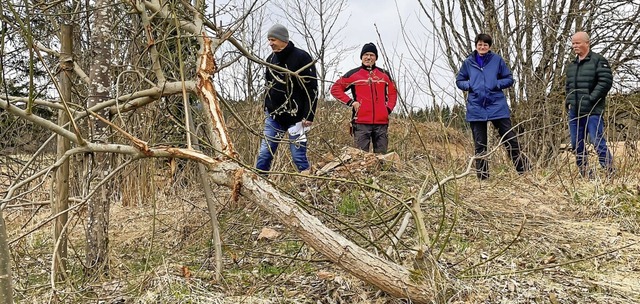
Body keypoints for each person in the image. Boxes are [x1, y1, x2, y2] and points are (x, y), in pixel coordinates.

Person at [455, 33, 530, 180]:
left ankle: (524, 172)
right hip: (476, 106)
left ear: (489, 47)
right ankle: (483, 179)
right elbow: (459, 80)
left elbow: (509, 79)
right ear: (476, 45)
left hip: (497, 105)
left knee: (510, 139)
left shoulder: (497, 60)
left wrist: (496, 84)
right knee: (480, 145)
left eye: (485, 45)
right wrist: (469, 85)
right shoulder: (468, 62)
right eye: (480, 44)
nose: (482, 47)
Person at [255, 24, 318, 174]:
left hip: (297, 117)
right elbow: (268, 85)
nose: (270, 43)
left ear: (284, 39)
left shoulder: (302, 57)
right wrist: (266, 106)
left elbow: (312, 89)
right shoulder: (270, 59)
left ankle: (309, 183)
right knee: (265, 154)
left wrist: (309, 115)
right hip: (274, 116)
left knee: (298, 156)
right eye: (269, 40)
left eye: (273, 39)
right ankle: (258, 185)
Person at [330, 42, 397, 153]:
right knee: (360, 157)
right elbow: (335, 89)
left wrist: (388, 109)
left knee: (382, 157)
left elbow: (393, 93)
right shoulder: (353, 74)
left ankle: (380, 171)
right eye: (366, 55)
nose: (368, 57)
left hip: (381, 123)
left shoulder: (384, 74)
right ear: (361, 57)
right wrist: (351, 102)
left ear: (376, 58)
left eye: (372, 55)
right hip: (361, 122)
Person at [565, 31, 614, 178]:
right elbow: (568, 86)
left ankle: (610, 172)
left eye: (578, 43)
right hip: (575, 111)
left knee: (597, 142)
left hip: (593, 110)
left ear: (587, 43)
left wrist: (591, 98)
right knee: (576, 144)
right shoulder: (572, 65)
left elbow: (605, 82)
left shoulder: (599, 61)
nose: (575, 46)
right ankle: (585, 173)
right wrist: (568, 100)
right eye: (573, 43)